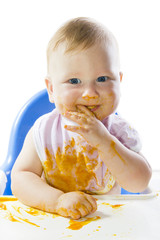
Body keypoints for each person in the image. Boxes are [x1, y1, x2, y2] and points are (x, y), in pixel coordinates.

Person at [11, 17, 152, 220]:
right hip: (53, 221)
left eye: (102, 79)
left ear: (119, 82)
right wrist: (58, 201)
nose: (90, 93)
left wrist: (105, 142)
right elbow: (20, 179)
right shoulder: (44, 132)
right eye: (74, 81)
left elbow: (139, 182)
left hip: (107, 221)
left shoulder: (119, 133)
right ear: (52, 89)